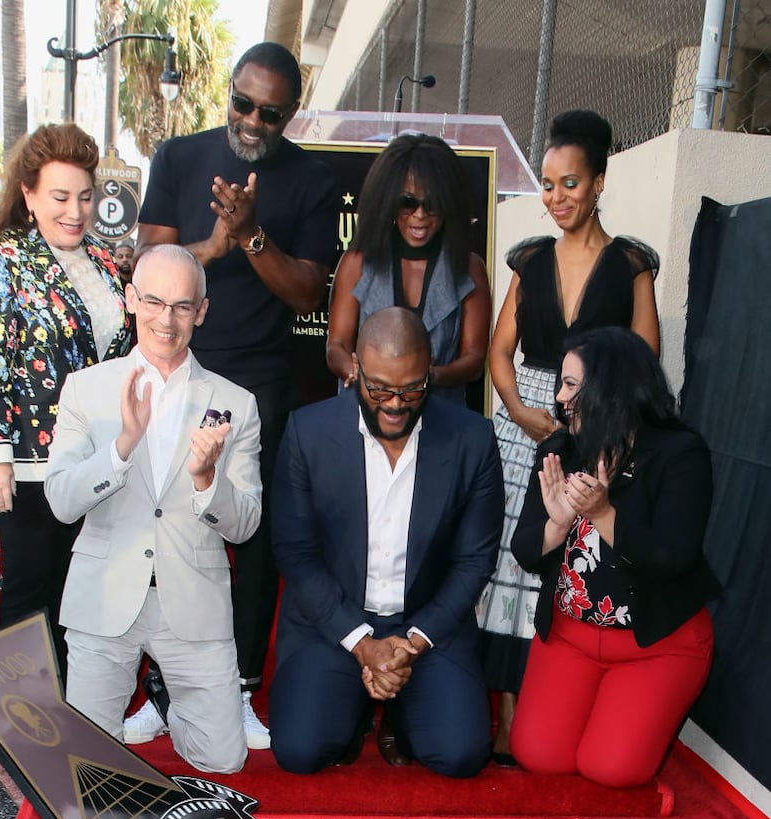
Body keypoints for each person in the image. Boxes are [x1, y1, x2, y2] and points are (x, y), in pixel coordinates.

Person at [132, 41, 338, 749]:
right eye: (242, 104)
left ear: (290, 113)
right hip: (174, 371)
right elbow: (149, 265)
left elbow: (308, 290)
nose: (252, 121)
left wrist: (252, 237)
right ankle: (164, 689)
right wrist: (217, 246)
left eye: (270, 113)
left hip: (258, 383)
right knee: (169, 530)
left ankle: (241, 690)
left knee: (250, 539)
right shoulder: (179, 158)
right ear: (229, 91)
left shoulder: (311, 179)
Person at [477, 109, 661, 765]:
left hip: (597, 427)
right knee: (511, 556)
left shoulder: (631, 262)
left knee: (571, 555)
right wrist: (525, 414)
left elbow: (643, 360)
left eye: (570, 184)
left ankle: (559, 708)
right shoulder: (528, 260)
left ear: (599, 182)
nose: (556, 198)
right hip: (524, 420)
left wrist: (600, 430)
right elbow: (500, 353)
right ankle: (504, 718)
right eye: (548, 185)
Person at [45, 245, 262, 773]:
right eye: (154, 302)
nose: (167, 319)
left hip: (191, 600)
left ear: (201, 311)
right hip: (104, 598)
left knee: (224, 761)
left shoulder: (236, 402)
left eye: (182, 306)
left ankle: (168, 705)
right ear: (130, 300)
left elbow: (246, 524)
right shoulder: (86, 389)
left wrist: (207, 478)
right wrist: (121, 447)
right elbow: (61, 501)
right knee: (88, 766)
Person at [269, 307, 504, 776]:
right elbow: (297, 555)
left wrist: (410, 646)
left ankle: (399, 709)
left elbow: (474, 562)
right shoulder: (307, 433)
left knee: (460, 755)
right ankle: (355, 708)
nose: (394, 404)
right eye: (377, 388)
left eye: (411, 388)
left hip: (427, 625)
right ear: (354, 366)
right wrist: (363, 645)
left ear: (430, 370)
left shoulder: (471, 439)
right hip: (332, 624)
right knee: (301, 751)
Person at [509, 328, 718, 787]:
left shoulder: (680, 455)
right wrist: (559, 524)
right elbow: (524, 551)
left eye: (570, 385)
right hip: (569, 636)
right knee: (539, 755)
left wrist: (603, 514)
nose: (560, 398)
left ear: (611, 388)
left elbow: (671, 558)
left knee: (611, 768)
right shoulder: (559, 449)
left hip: (655, 644)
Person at [0, 123, 133, 675]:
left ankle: (67, 712)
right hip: (30, 463)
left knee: (75, 593)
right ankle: (19, 717)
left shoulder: (106, 262)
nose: (75, 210)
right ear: (29, 195)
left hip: (93, 458)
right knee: (29, 594)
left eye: (85, 197)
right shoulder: (1, 256)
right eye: (60, 197)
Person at [326, 133, 491, 405]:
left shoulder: (468, 268)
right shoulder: (357, 262)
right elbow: (336, 347)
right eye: (408, 202)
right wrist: (358, 373)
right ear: (388, 201)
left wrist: (427, 378)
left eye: (433, 203)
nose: (420, 215)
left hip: (440, 417)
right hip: (367, 411)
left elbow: (474, 359)